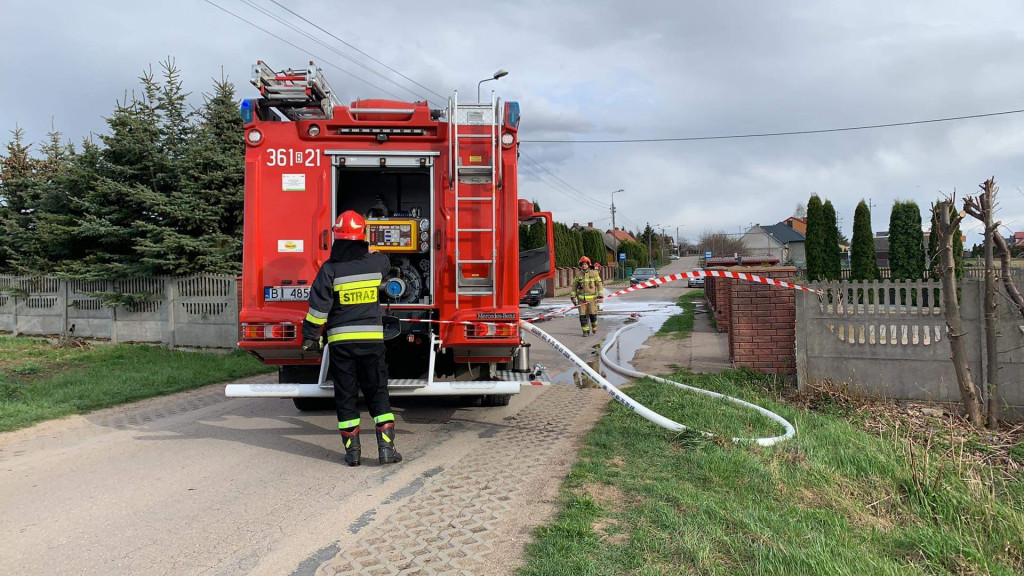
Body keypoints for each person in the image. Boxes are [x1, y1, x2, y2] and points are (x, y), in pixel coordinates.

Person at [301, 210, 402, 466]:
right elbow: (385, 260)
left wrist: (310, 336)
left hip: (341, 343)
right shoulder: (376, 264)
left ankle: (353, 454)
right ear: (362, 237)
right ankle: (387, 451)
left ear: (336, 237)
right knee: (378, 393)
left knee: (345, 396)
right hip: (372, 342)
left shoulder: (329, 270)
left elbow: (318, 308)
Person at [570, 256, 604, 337]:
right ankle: (586, 331)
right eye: (583, 264)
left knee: (593, 316)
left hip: (592, 300)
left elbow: (599, 284)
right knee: (582, 316)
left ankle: (594, 326)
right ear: (581, 265)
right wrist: (573, 296)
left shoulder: (594, 273)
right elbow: (574, 286)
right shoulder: (578, 275)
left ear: (588, 265)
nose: (584, 266)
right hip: (581, 300)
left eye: (585, 264)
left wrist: (600, 295)